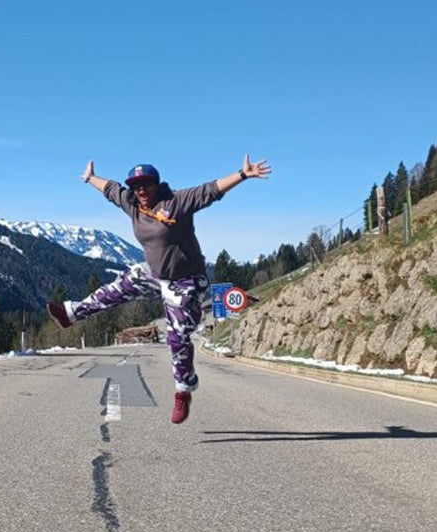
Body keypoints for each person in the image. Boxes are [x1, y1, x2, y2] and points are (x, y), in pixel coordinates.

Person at [46, 155, 272, 423]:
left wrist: (243, 175)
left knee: (177, 337)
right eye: (136, 186)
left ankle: (183, 389)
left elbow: (210, 191)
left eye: (147, 184)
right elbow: (111, 190)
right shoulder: (132, 204)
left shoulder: (176, 202)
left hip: (187, 280)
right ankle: (71, 314)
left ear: (157, 184)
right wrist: (90, 178)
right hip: (156, 273)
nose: (141, 190)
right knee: (118, 286)